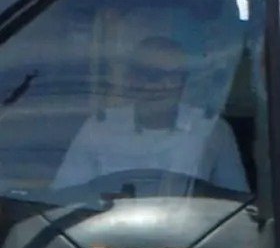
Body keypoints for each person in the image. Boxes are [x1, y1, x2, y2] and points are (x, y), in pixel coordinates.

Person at [53, 34, 249, 193]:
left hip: (193, 237)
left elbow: (234, 203)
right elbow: (67, 198)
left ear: (183, 81)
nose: (157, 86)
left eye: (170, 76)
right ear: (130, 78)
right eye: (147, 74)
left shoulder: (211, 130)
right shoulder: (98, 129)